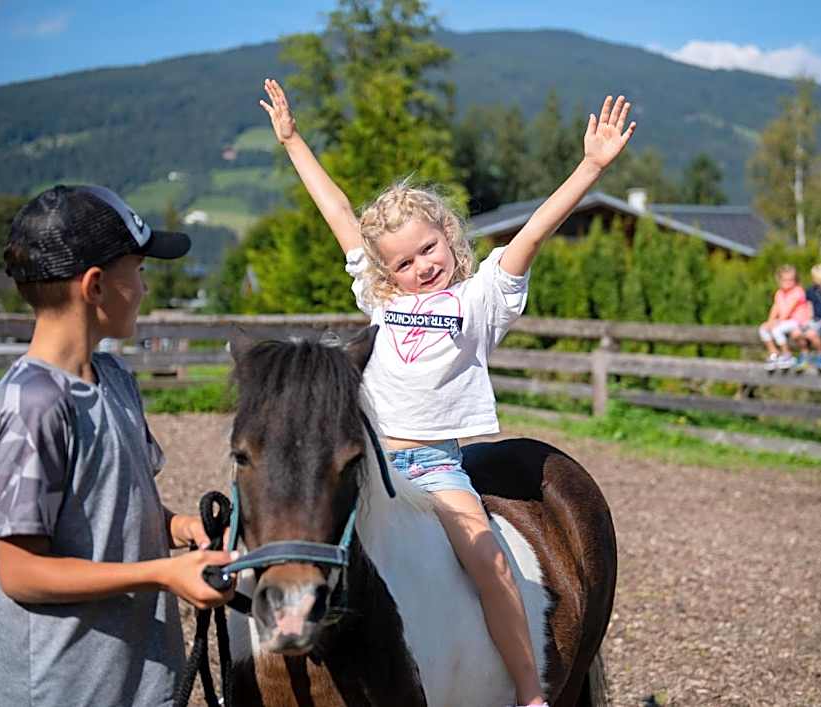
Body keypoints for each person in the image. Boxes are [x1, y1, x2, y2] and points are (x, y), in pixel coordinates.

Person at [259, 77, 635, 707]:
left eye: (428, 249)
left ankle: (529, 691)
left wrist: (589, 167)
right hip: (371, 464)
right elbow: (339, 215)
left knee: (489, 563)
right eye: (403, 263)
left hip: (434, 466)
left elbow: (533, 234)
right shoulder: (382, 299)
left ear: (449, 234)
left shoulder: (480, 298)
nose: (421, 267)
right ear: (386, 273)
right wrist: (294, 141)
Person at [0, 185, 236, 707]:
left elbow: (112, 507)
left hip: (126, 679)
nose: (145, 287)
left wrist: (181, 527)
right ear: (94, 287)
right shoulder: (34, 403)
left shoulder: (112, 376)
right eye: (137, 270)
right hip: (55, 686)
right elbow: (21, 572)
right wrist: (163, 573)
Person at [758, 264, 809, 371]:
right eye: (784, 280)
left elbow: (788, 310)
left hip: (797, 321)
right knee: (763, 329)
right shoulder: (779, 293)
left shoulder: (798, 291)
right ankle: (774, 353)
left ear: (796, 280)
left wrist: (776, 323)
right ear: (779, 280)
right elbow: (775, 307)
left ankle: (787, 355)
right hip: (784, 321)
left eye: (791, 280)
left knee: (777, 329)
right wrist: (770, 321)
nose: (788, 282)